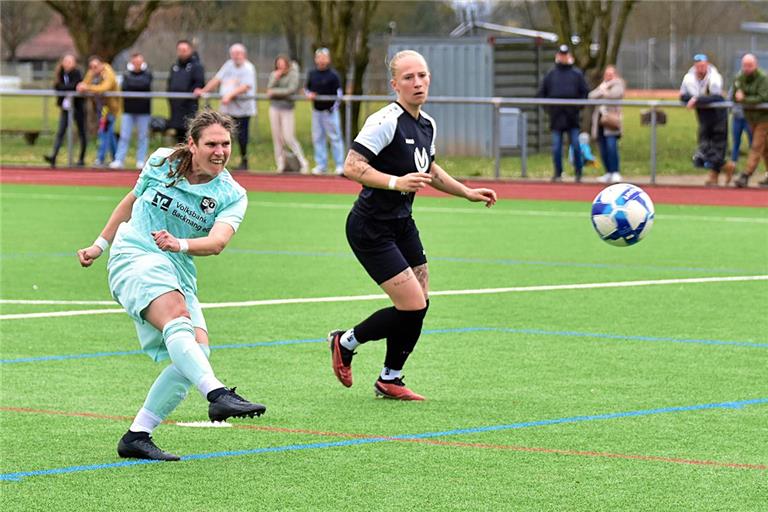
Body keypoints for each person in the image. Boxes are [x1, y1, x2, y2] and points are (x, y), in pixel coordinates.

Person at [76, 109, 266, 461]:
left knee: (197, 352)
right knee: (178, 318)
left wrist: (179, 244)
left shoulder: (232, 194)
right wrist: (99, 245)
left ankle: (137, 435)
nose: (220, 151)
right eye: (211, 143)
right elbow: (130, 203)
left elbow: (218, 242)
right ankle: (217, 394)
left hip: (177, 265)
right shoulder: (162, 161)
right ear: (191, 144)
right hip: (134, 255)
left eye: (226, 144)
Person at [327, 50, 497, 401]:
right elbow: (352, 166)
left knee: (422, 301)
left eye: (422, 75)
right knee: (412, 305)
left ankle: (391, 378)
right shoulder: (384, 120)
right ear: (395, 84)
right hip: (370, 227)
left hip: (402, 223)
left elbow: (430, 170)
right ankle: (345, 342)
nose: (417, 83)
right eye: (408, 78)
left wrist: (466, 192)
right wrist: (394, 182)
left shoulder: (426, 124)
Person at [195, 43, 256, 170]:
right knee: (225, 135)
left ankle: (244, 160)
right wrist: (204, 90)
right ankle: (224, 160)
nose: (235, 56)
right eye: (233, 54)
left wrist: (229, 95)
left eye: (238, 54)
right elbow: (217, 79)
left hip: (243, 109)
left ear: (243, 55)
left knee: (242, 136)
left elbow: (245, 86)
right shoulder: (228, 65)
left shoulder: (248, 68)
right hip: (228, 109)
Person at [680, 53, 733, 186]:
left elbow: (717, 97)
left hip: (718, 115)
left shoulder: (715, 77)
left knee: (718, 145)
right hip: (703, 116)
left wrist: (697, 99)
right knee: (704, 145)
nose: (701, 68)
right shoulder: (688, 78)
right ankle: (726, 165)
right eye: (698, 66)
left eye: (703, 65)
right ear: (695, 66)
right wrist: (694, 99)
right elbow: (683, 96)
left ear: (707, 65)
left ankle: (713, 176)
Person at [537, 44, 588, 182]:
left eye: (565, 54)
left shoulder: (576, 74)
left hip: (572, 118)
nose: (563, 57)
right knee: (556, 147)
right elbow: (541, 93)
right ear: (557, 56)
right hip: (556, 118)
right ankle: (558, 173)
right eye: (561, 54)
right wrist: (549, 109)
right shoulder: (551, 74)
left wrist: (579, 106)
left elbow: (584, 92)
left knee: (576, 146)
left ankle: (578, 173)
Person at [305, 47, 345, 175]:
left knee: (335, 138)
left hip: (330, 113)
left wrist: (332, 109)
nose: (321, 60)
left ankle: (339, 165)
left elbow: (339, 94)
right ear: (316, 59)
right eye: (319, 57)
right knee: (318, 138)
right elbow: (307, 89)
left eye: (324, 57)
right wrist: (309, 94)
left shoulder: (334, 75)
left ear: (328, 59)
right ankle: (321, 165)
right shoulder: (312, 74)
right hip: (317, 112)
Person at [267, 54, 309, 173]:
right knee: (277, 138)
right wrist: (276, 77)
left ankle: (303, 162)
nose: (280, 66)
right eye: (278, 64)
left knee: (288, 137)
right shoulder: (274, 74)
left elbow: (291, 90)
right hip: (274, 108)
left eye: (283, 64)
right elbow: (269, 89)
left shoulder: (293, 73)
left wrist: (275, 93)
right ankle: (280, 163)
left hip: (287, 108)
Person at [110, 53, 153, 170]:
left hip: (143, 111)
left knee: (143, 136)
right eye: (135, 62)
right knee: (124, 136)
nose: (137, 64)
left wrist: (134, 84)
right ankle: (119, 160)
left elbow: (144, 84)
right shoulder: (126, 75)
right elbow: (126, 86)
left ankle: (140, 160)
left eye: (139, 62)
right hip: (128, 110)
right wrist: (134, 84)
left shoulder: (148, 74)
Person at [77, 56, 120, 167]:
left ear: (101, 64)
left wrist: (88, 87)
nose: (93, 69)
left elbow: (104, 87)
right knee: (109, 134)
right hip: (100, 108)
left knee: (104, 132)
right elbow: (84, 84)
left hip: (110, 108)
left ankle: (100, 159)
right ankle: (116, 158)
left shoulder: (108, 72)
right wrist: (85, 82)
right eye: (91, 67)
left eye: (95, 66)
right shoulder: (92, 72)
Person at [44, 53, 86, 168]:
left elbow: (75, 85)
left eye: (70, 62)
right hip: (66, 108)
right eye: (66, 61)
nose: (68, 64)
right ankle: (54, 156)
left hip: (77, 107)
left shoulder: (77, 73)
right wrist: (68, 87)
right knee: (61, 131)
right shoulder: (60, 73)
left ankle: (81, 158)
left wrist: (68, 87)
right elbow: (57, 86)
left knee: (82, 131)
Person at [733, 53, 768, 188]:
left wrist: (744, 99)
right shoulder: (739, 78)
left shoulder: (763, 78)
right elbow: (735, 96)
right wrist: (739, 98)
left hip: (764, 118)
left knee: (756, 145)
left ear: (756, 65)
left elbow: (763, 97)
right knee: (765, 148)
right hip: (750, 118)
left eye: (750, 65)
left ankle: (746, 174)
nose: (747, 68)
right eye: (745, 65)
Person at [588, 65, 625, 183]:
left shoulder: (618, 84)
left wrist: (603, 91)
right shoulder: (602, 85)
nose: (608, 76)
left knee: (611, 147)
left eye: (611, 74)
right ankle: (608, 172)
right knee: (602, 148)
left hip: (611, 122)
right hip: (599, 122)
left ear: (615, 74)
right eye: (606, 74)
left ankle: (615, 171)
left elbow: (614, 95)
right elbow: (591, 96)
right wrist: (603, 90)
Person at [168, 40, 205, 144]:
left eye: (184, 50)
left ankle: (191, 159)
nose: (182, 52)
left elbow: (199, 82)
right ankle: (180, 159)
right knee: (178, 137)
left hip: (189, 107)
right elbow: (170, 84)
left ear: (190, 50)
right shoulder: (174, 67)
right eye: (180, 50)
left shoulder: (197, 66)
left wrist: (197, 89)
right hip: (175, 107)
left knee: (189, 135)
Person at [729, 84, 753, 166]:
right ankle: (733, 164)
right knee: (736, 141)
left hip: (749, 118)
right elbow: (729, 98)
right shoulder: (735, 86)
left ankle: (752, 164)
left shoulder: (752, 86)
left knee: (752, 142)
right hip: (737, 118)